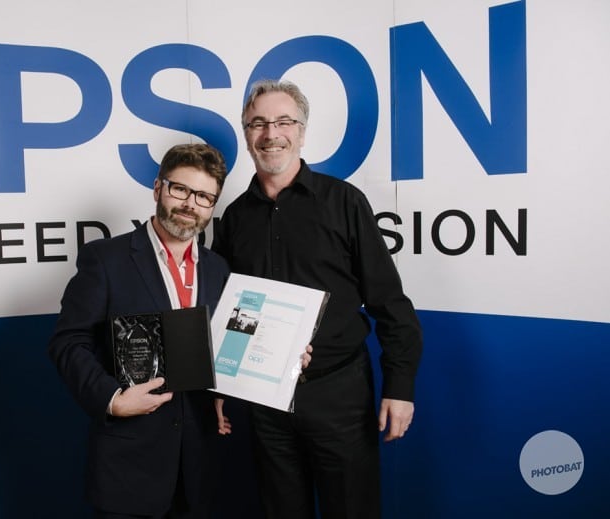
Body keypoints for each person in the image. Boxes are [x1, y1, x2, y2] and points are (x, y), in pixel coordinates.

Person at [212, 79, 423, 519]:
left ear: (302, 132)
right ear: (247, 135)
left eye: (283, 122)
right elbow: (227, 309)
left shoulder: (344, 202)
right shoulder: (233, 219)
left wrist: (400, 387)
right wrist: (221, 383)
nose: (271, 134)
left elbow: (390, 303)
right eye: (258, 123)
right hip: (265, 401)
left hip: (338, 394)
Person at [48, 143, 231, 519]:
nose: (189, 204)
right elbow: (68, 342)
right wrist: (112, 398)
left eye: (203, 196)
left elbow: (222, 346)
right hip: (129, 467)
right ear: (158, 188)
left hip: (200, 467)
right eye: (180, 189)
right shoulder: (106, 259)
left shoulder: (219, 270)